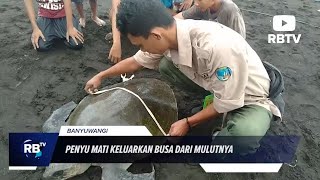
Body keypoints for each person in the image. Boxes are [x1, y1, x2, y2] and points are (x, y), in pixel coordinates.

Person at [85, 0, 282, 155]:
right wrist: (101, 75)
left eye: (141, 45)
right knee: (165, 64)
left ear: (155, 35)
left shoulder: (216, 47)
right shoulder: (170, 34)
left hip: (253, 97)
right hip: (220, 85)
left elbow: (228, 102)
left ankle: (251, 117)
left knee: (237, 140)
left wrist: (187, 122)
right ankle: (212, 102)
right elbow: (136, 62)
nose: (141, 50)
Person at [175, 0, 246, 38]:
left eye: (200, 0)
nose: (196, 3)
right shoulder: (201, 6)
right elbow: (182, 16)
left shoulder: (228, 9)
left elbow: (239, 38)